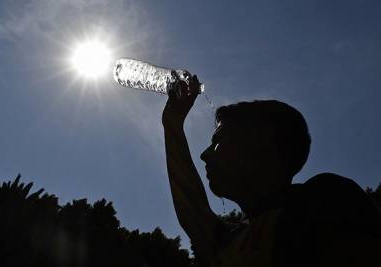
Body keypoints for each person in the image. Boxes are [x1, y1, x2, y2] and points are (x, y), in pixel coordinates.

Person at [162, 76, 381, 267]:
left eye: (218, 141)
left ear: (258, 143)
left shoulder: (326, 201)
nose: (205, 155)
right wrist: (172, 123)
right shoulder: (232, 238)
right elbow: (193, 212)